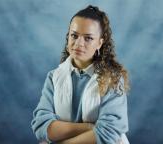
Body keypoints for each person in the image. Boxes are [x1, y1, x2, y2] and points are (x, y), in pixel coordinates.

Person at [31, 5, 130, 144]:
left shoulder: (112, 79)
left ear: (99, 43)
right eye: (74, 35)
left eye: (88, 38)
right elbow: (41, 126)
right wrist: (89, 127)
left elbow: (109, 132)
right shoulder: (53, 77)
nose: (79, 43)